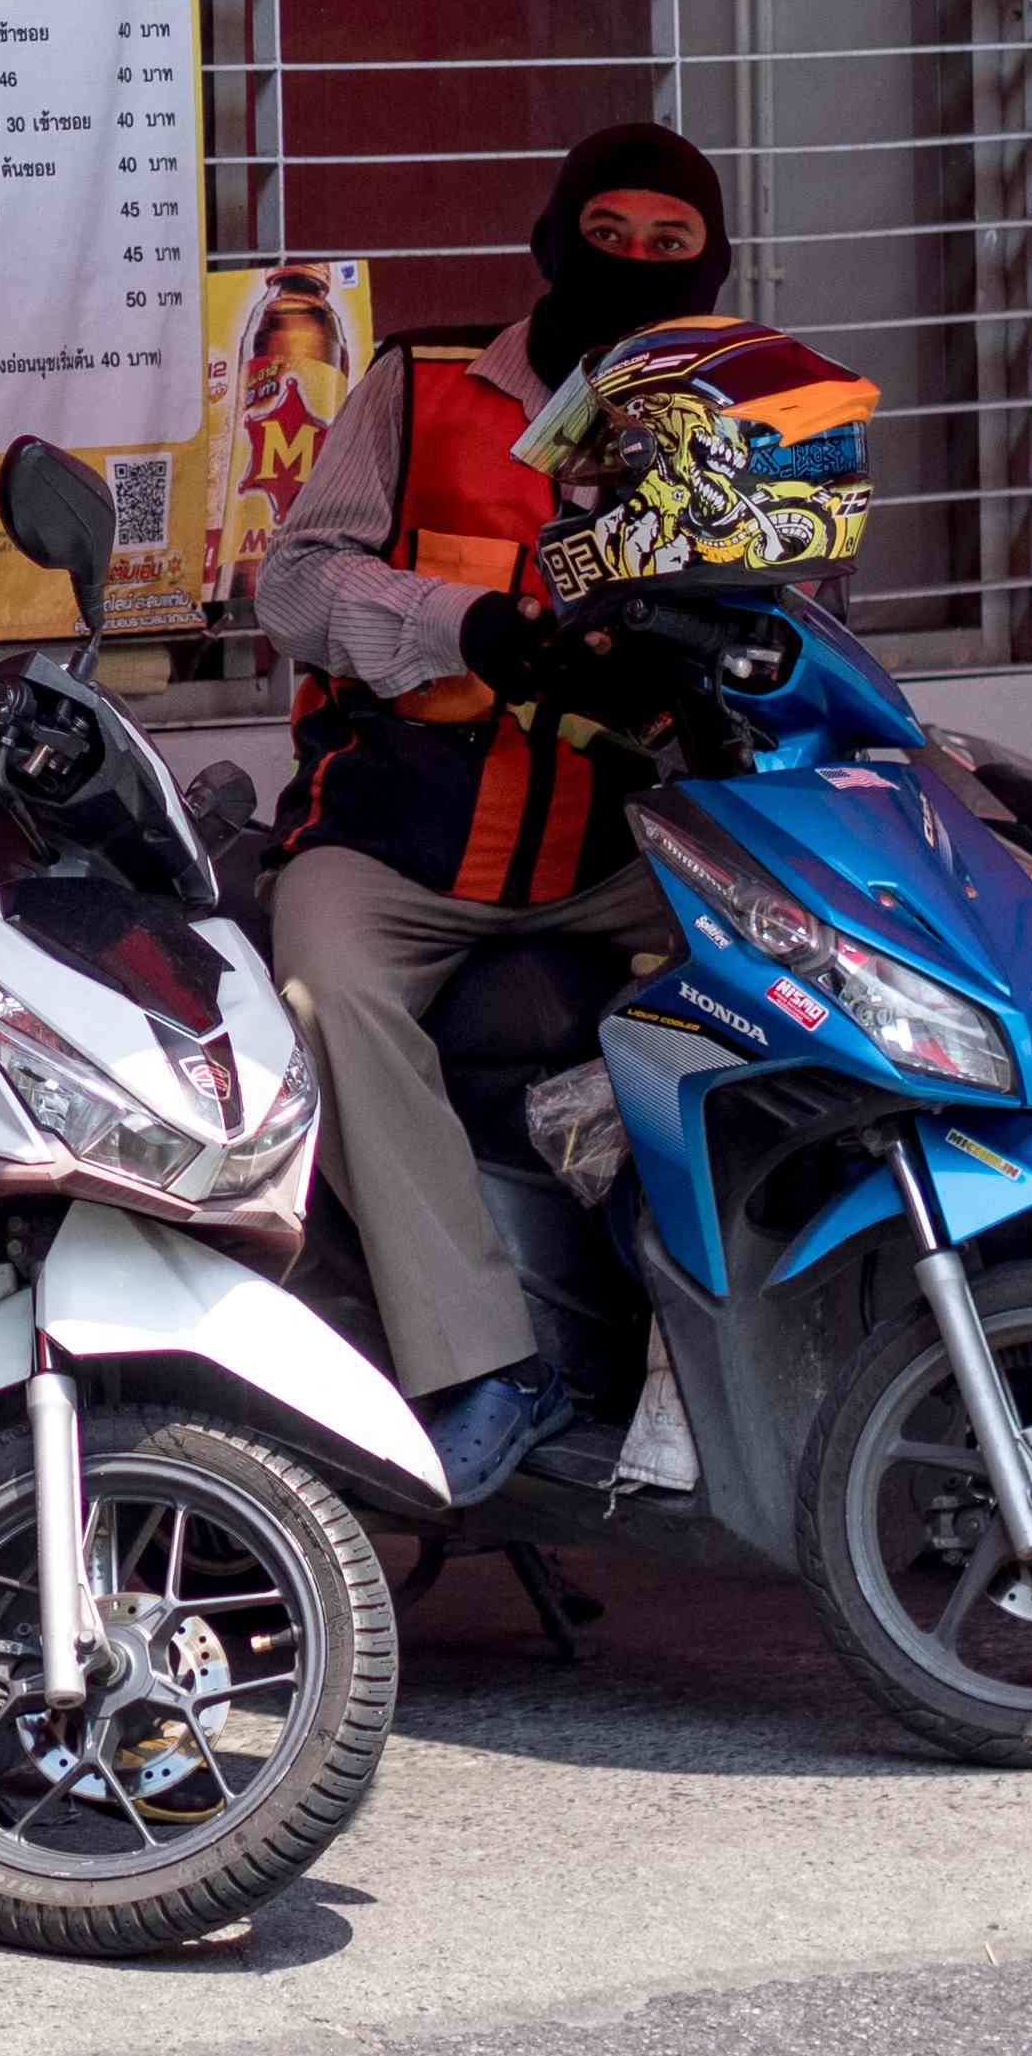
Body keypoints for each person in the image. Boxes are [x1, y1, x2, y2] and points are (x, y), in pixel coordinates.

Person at [253, 122, 739, 1507]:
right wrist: (460, 622)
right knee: (315, 988)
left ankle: (706, 1346)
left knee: (812, 962)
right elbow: (291, 583)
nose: (638, 267)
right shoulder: (423, 383)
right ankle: (480, 1366)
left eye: (671, 248)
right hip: (407, 830)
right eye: (611, 238)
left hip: (627, 843)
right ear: (554, 239)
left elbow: (812, 615)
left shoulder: (737, 417)